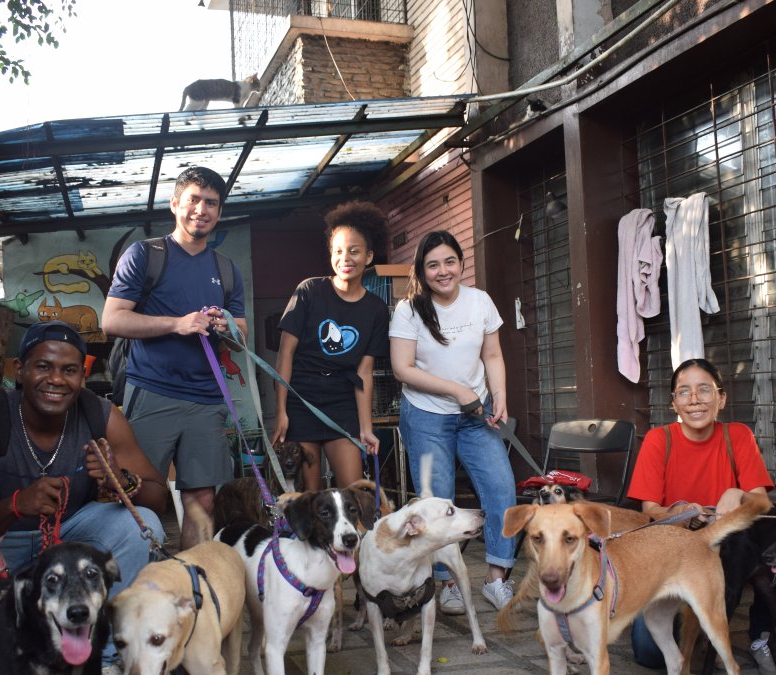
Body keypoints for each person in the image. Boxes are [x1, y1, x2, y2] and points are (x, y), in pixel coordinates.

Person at [0, 321, 168, 668]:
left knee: (140, 527)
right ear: (20, 371)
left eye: (69, 370)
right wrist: (16, 505)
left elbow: (158, 498)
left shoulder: (101, 416)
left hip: (70, 535)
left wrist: (120, 480)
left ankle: (107, 656)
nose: (56, 380)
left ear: (83, 374)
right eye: (43, 367)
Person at [103, 166, 247, 552]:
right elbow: (112, 319)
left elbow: (241, 336)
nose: (201, 209)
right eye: (194, 200)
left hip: (207, 399)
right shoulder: (145, 255)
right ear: (175, 204)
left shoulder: (227, 270)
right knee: (134, 495)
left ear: (220, 211)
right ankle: (137, 590)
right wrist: (176, 324)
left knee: (202, 501)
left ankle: (192, 592)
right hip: (152, 392)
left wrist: (225, 326)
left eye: (211, 203)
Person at [389, 230, 517, 612]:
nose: (443, 271)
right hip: (427, 416)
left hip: (477, 415)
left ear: (461, 263)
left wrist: (500, 397)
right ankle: (447, 583)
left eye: (450, 262)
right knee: (436, 502)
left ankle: (497, 578)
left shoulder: (480, 302)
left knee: (500, 488)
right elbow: (402, 369)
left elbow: (492, 355)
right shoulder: (409, 310)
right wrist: (456, 391)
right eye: (433, 265)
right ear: (422, 271)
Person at [625, 357, 776, 675]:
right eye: (684, 392)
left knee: (760, 545)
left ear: (721, 398)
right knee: (650, 653)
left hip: (725, 549)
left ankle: (757, 635)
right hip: (672, 552)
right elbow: (649, 511)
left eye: (704, 390)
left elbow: (763, 503)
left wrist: (737, 494)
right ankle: (697, 621)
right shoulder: (659, 440)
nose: (694, 400)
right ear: (674, 404)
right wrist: (675, 513)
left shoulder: (737, 436)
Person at [271, 201, 390, 489]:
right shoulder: (310, 290)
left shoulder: (376, 309)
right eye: (338, 251)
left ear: (369, 256)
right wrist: (281, 411)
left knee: (354, 491)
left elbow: (364, 372)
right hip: (302, 400)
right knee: (310, 495)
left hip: (342, 402)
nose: (345, 258)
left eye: (354, 250)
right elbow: (285, 354)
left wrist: (365, 428)